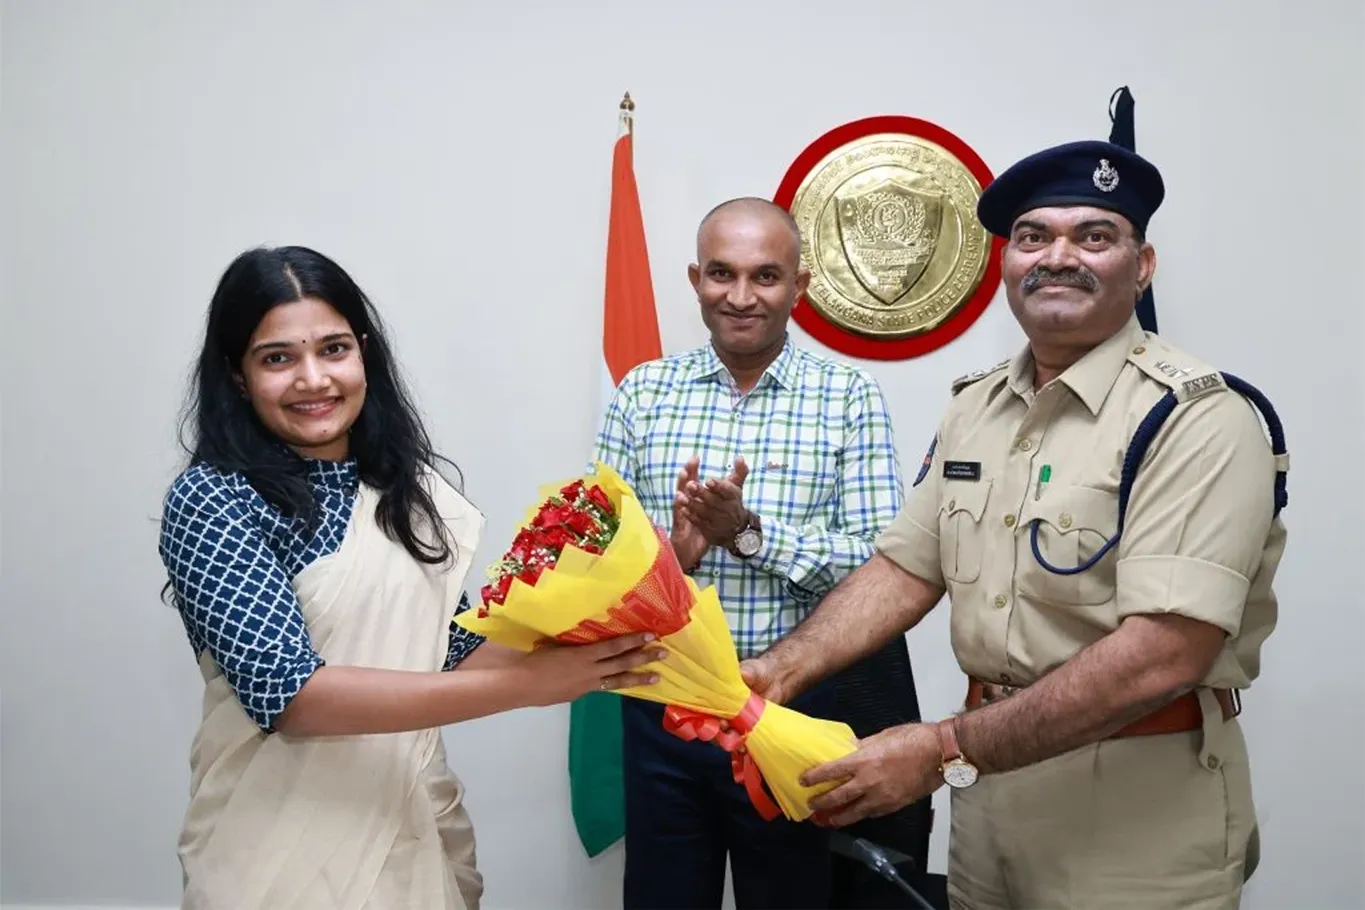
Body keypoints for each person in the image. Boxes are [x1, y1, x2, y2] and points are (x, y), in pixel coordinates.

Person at [740, 141, 1289, 910]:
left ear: (1142, 265)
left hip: (1133, 814)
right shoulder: (976, 405)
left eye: (1092, 236)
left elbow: (1161, 655)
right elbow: (906, 568)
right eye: (1032, 237)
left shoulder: (1196, 419)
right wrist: (777, 672)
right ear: (1007, 263)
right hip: (987, 797)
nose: (1056, 256)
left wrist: (937, 750)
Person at [158, 245, 662, 910]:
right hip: (275, 848)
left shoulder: (405, 491)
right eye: (277, 357)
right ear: (237, 374)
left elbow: (451, 653)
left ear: (364, 352)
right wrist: (530, 687)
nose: (314, 378)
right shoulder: (215, 500)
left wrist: (607, 605)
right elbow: (291, 698)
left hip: (411, 822)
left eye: (333, 348)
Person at [592, 197, 905, 909]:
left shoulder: (847, 395)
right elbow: (595, 561)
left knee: (790, 898)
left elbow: (876, 565)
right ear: (694, 278)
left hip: (792, 705)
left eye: (764, 277)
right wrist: (677, 555)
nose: (740, 297)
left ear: (800, 286)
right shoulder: (642, 394)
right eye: (721, 275)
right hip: (662, 705)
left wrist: (748, 536)